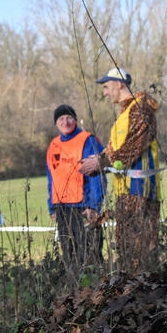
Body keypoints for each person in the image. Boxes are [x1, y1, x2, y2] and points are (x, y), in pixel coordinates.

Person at [81, 68, 160, 274]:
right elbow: (115, 149)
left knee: (140, 252)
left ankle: (144, 296)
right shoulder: (125, 114)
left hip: (141, 190)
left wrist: (101, 162)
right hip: (125, 190)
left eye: (107, 87)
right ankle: (132, 295)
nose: (105, 93)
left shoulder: (141, 109)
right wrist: (97, 160)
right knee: (127, 249)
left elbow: (133, 145)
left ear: (119, 84)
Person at [45, 104, 106, 273]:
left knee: (89, 254)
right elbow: (51, 179)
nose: (65, 122)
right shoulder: (53, 146)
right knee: (69, 255)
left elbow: (98, 175)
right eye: (61, 119)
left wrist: (94, 206)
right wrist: (52, 207)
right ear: (56, 123)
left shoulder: (87, 140)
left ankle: (97, 292)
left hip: (83, 208)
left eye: (69, 118)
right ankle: (74, 293)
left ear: (75, 120)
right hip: (62, 209)